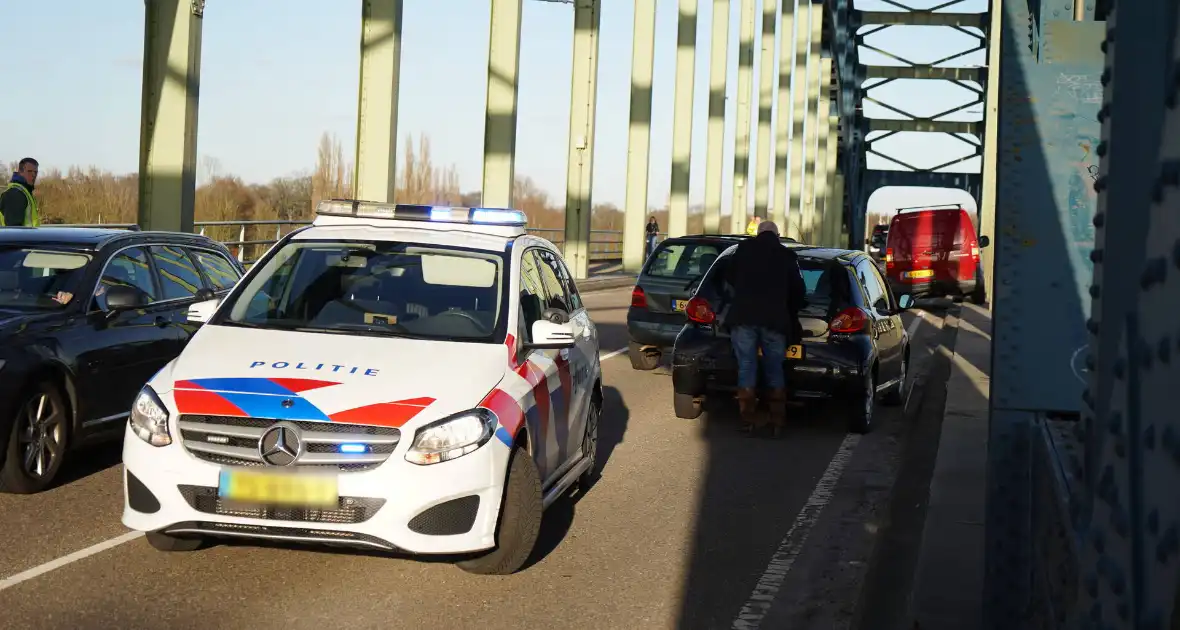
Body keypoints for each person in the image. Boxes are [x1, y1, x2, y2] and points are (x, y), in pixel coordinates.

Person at [724, 220, 806, 437]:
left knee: (747, 365)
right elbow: (799, 290)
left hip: (743, 317)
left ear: (758, 233)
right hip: (774, 319)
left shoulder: (742, 250)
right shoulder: (787, 256)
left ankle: (747, 419)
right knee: (774, 368)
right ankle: (777, 421)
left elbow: (729, 277)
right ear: (777, 235)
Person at [1, 158, 41, 227]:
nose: (33, 175)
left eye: (35, 172)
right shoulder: (15, 194)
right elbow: (13, 232)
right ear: (20, 172)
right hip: (24, 238)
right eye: (29, 171)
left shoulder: (25, 192)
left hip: (30, 237)